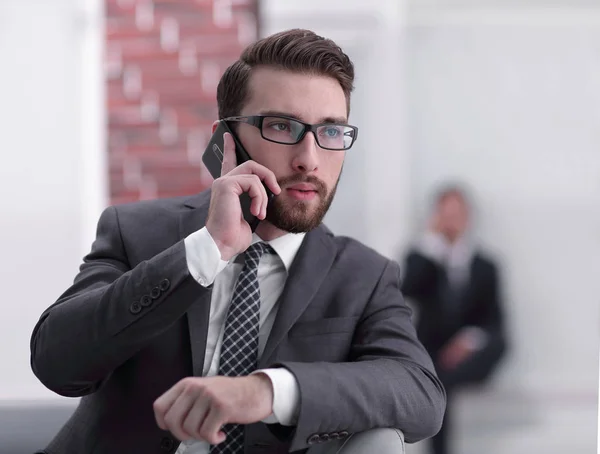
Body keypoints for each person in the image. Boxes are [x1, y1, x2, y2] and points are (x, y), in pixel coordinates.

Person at [30, 29, 445, 454]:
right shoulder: (136, 231)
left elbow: (420, 394)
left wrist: (264, 391)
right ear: (226, 139)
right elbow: (57, 364)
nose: (309, 158)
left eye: (331, 132)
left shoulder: (363, 275)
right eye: (282, 126)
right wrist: (207, 250)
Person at [401, 184, 507, 454]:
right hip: (434, 349)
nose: (451, 221)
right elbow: (408, 289)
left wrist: (468, 342)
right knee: (437, 376)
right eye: (445, 214)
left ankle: (441, 381)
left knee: (498, 343)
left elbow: (495, 320)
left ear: (468, 217)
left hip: (469, 354)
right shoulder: (422, 256)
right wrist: (431, 245)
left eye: (456, 214)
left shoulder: (486, 265)